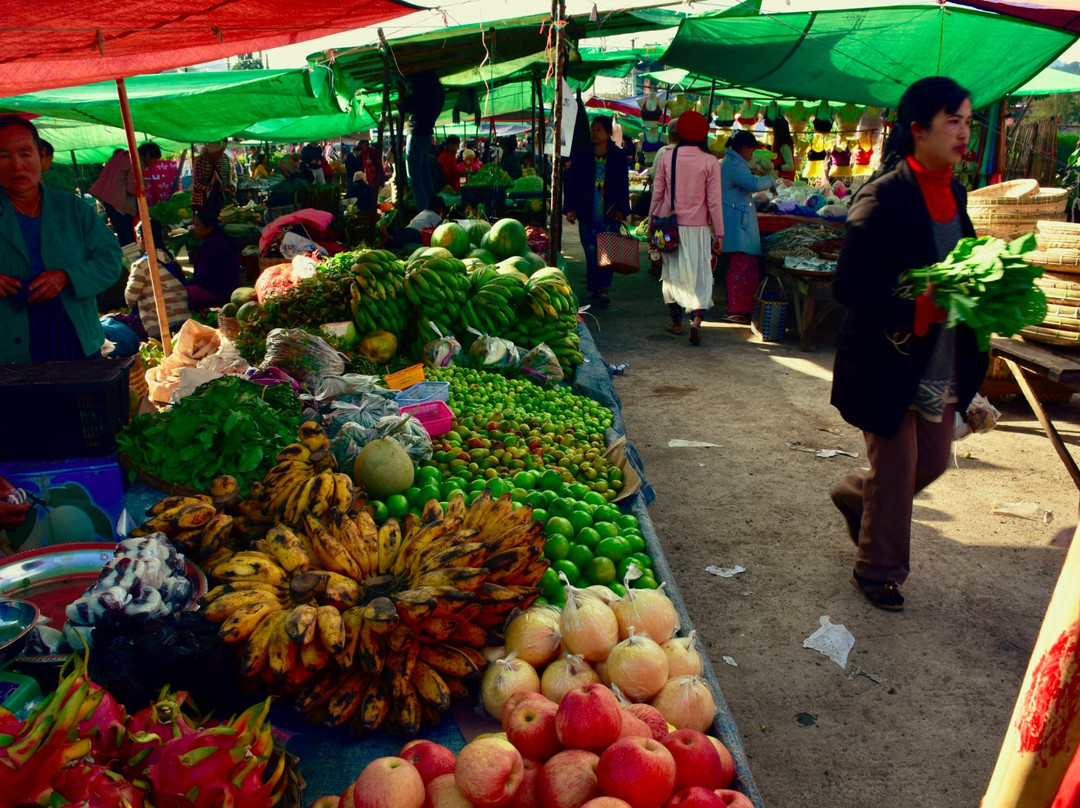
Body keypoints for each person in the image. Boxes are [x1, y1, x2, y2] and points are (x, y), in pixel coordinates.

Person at [828, 77, 978, 612]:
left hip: (936, 358)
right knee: (895, 467)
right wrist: (914, 308)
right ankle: (877, 570)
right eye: (953, 121)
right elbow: (847, 284)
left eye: (967, 120)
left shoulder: (955, 192)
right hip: (887, 357)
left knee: (933, 461)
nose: (964, 131)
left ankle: (853, 495)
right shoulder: (883, 194)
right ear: (918, 129)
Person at [0, 116, 122, 363]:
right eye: (3, 156)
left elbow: (110, 261)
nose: (16, 166)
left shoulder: (73, 209)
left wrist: (67, 277)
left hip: (73, 336)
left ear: (41, 155)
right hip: (8, 345)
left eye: (25, 153)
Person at [648, 111, 725, 346]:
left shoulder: (667, 156)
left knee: (671, 276)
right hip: (699, 228)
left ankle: (676, 323)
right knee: (700, 276)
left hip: (670, 226)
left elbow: (657, 192)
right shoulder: (710, 161)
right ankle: (696, 321)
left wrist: (651, 220)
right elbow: (714, 201)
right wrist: (719, 233)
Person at [563, 116, 630, 308]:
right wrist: (571, 208)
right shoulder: (582, 156)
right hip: (587, 211)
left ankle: (604, 288)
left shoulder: (618, 156)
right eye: (593, 129)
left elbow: (623, 185)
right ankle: (594, 286)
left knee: (607, 252)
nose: (595, 132)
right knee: (591, 251)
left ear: (609, 133)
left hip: (609, 212)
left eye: (599, 129)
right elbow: (572, 183)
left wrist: (622, 209)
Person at [719, 130, 775, 324]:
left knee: (743, 267)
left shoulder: (733, 163)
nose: (752, 153)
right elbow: (753, 184)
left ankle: (741, 308)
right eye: (751, 149)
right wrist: (771, 179)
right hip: (736, 223)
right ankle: (736, 309)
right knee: (739, 268)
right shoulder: (733, 165)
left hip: (737, 219)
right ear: (743, 147)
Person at [123, 220, 189, 340]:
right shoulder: (170, 259)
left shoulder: (141, 265)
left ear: (142, 238)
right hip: (185, 322)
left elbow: (130, 298)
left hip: (160, 326)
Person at [399, 71, 445, 212]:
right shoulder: (438, 91)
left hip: (417, 134)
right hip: (425, 135)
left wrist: (401, 103)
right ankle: (433, 211)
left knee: (415, 180)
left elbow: (404, 106)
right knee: (425, 177)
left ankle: (425, 214)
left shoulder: (423, 91)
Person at [186, 209, 240, 310]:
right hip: (222, 288)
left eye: (198, 225)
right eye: (194, 225)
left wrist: (187, 284)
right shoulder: (216, 240)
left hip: (218, 290)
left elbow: (202, 276)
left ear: (209, 228)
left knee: (182, 294)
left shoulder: (213, 245)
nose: (194, 229)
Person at [89, 148, 137, 246]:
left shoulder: (111, 169)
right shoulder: (122, 166)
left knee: (123, 232)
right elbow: (131, 188)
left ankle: (128, 252)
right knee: (126, 232)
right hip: (119, 206)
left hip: (112, 204)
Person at [191, 141, 235, 215]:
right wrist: (214, 188)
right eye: (220, 152)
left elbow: (220, 178)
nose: (221, 155)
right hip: (204, 199)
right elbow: (197, 183)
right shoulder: (200, 160)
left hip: (217, 197)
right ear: (213, 152)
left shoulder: (217, 161)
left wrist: (226, 189)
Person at [770, 117, 797, 182]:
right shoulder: (780, 145)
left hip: (785, 180)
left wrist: (776, 167)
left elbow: (790, 166)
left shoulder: (784, 147)